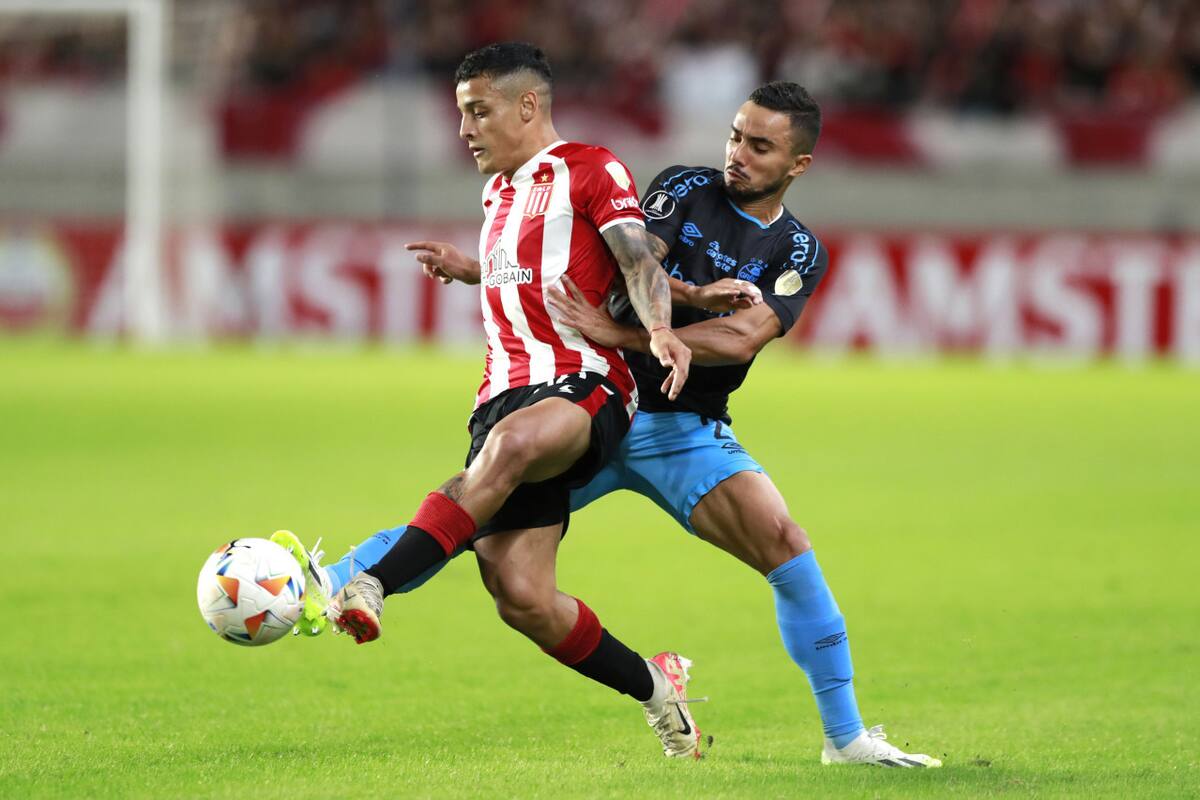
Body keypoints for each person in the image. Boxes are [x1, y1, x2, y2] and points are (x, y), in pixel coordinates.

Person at [299, 80, 943, 769]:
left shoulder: (799, 250)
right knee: (479, 505)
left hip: (686, 426)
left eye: (760, 146)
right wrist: (508, 281)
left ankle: (845, 738)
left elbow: (742, 338)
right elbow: (630, 263)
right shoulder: (684, 188)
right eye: (735, 136)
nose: (738, 154)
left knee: (786, 545)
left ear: (798, 164)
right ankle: (318, 583)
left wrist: (627, 333)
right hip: (602, 402)